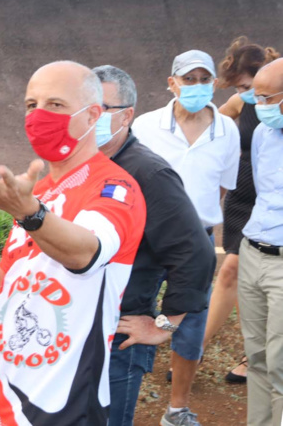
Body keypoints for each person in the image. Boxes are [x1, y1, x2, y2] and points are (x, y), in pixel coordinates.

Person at [0, 61, 146, 426]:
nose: (38, 115)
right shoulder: (38, 192)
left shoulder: (116, 188)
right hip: (8, 391)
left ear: (91, 116)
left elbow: (86, 253)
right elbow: (10, 283)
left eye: (55, 104)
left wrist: (30, 214)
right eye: (31, 104)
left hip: (65, 403)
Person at [92, 65, 214, 426]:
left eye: (100, 109)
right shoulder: (83, 165)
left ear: (127, 115)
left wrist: (165, 325)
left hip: (118, 338)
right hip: (75, 330)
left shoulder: (147, 174)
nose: (87, 118)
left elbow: (196, 254)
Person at [131, 49, 240, 426]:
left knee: (190, 325)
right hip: (144, 240)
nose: (196, 87)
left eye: (203, 79)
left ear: (213, 83)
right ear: (171, 83)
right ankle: (120, 396)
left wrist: (195, 229)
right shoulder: (144, 125)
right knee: (131, 313)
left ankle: (177, 409)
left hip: (197, 243)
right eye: (188, 79)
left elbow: (222, 190)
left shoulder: (227, 131)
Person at [203, 37, 279, 384]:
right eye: (242, 89)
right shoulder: (239, 102)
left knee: (241, 270)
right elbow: (212, 130)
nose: (249, 95)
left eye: (251, 87)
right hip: (242, 199)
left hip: (270, 203)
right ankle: (197, 346)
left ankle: (254, 356)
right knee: (233, 273)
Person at [237, 57, 283, 426]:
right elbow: (261, 193)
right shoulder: (264, 136)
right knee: (257, 359)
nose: (260, 107)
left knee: (282, 365)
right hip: (253, 252)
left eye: (267, 99)